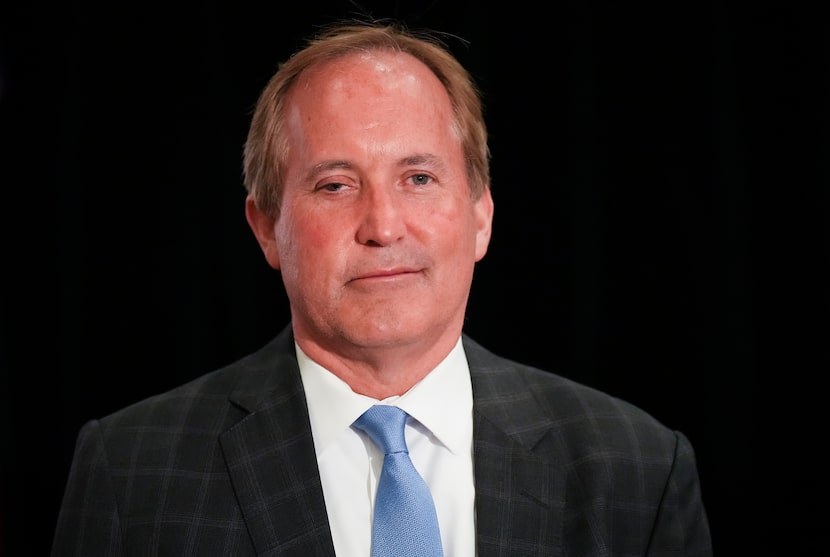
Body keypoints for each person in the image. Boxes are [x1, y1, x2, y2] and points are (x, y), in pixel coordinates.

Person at [51, 20, 712, 556]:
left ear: (481, 214)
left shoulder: (637, 468)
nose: (383, 225)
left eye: (418, 178)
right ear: (265, 227)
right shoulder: (131, 471)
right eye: (335, 184)